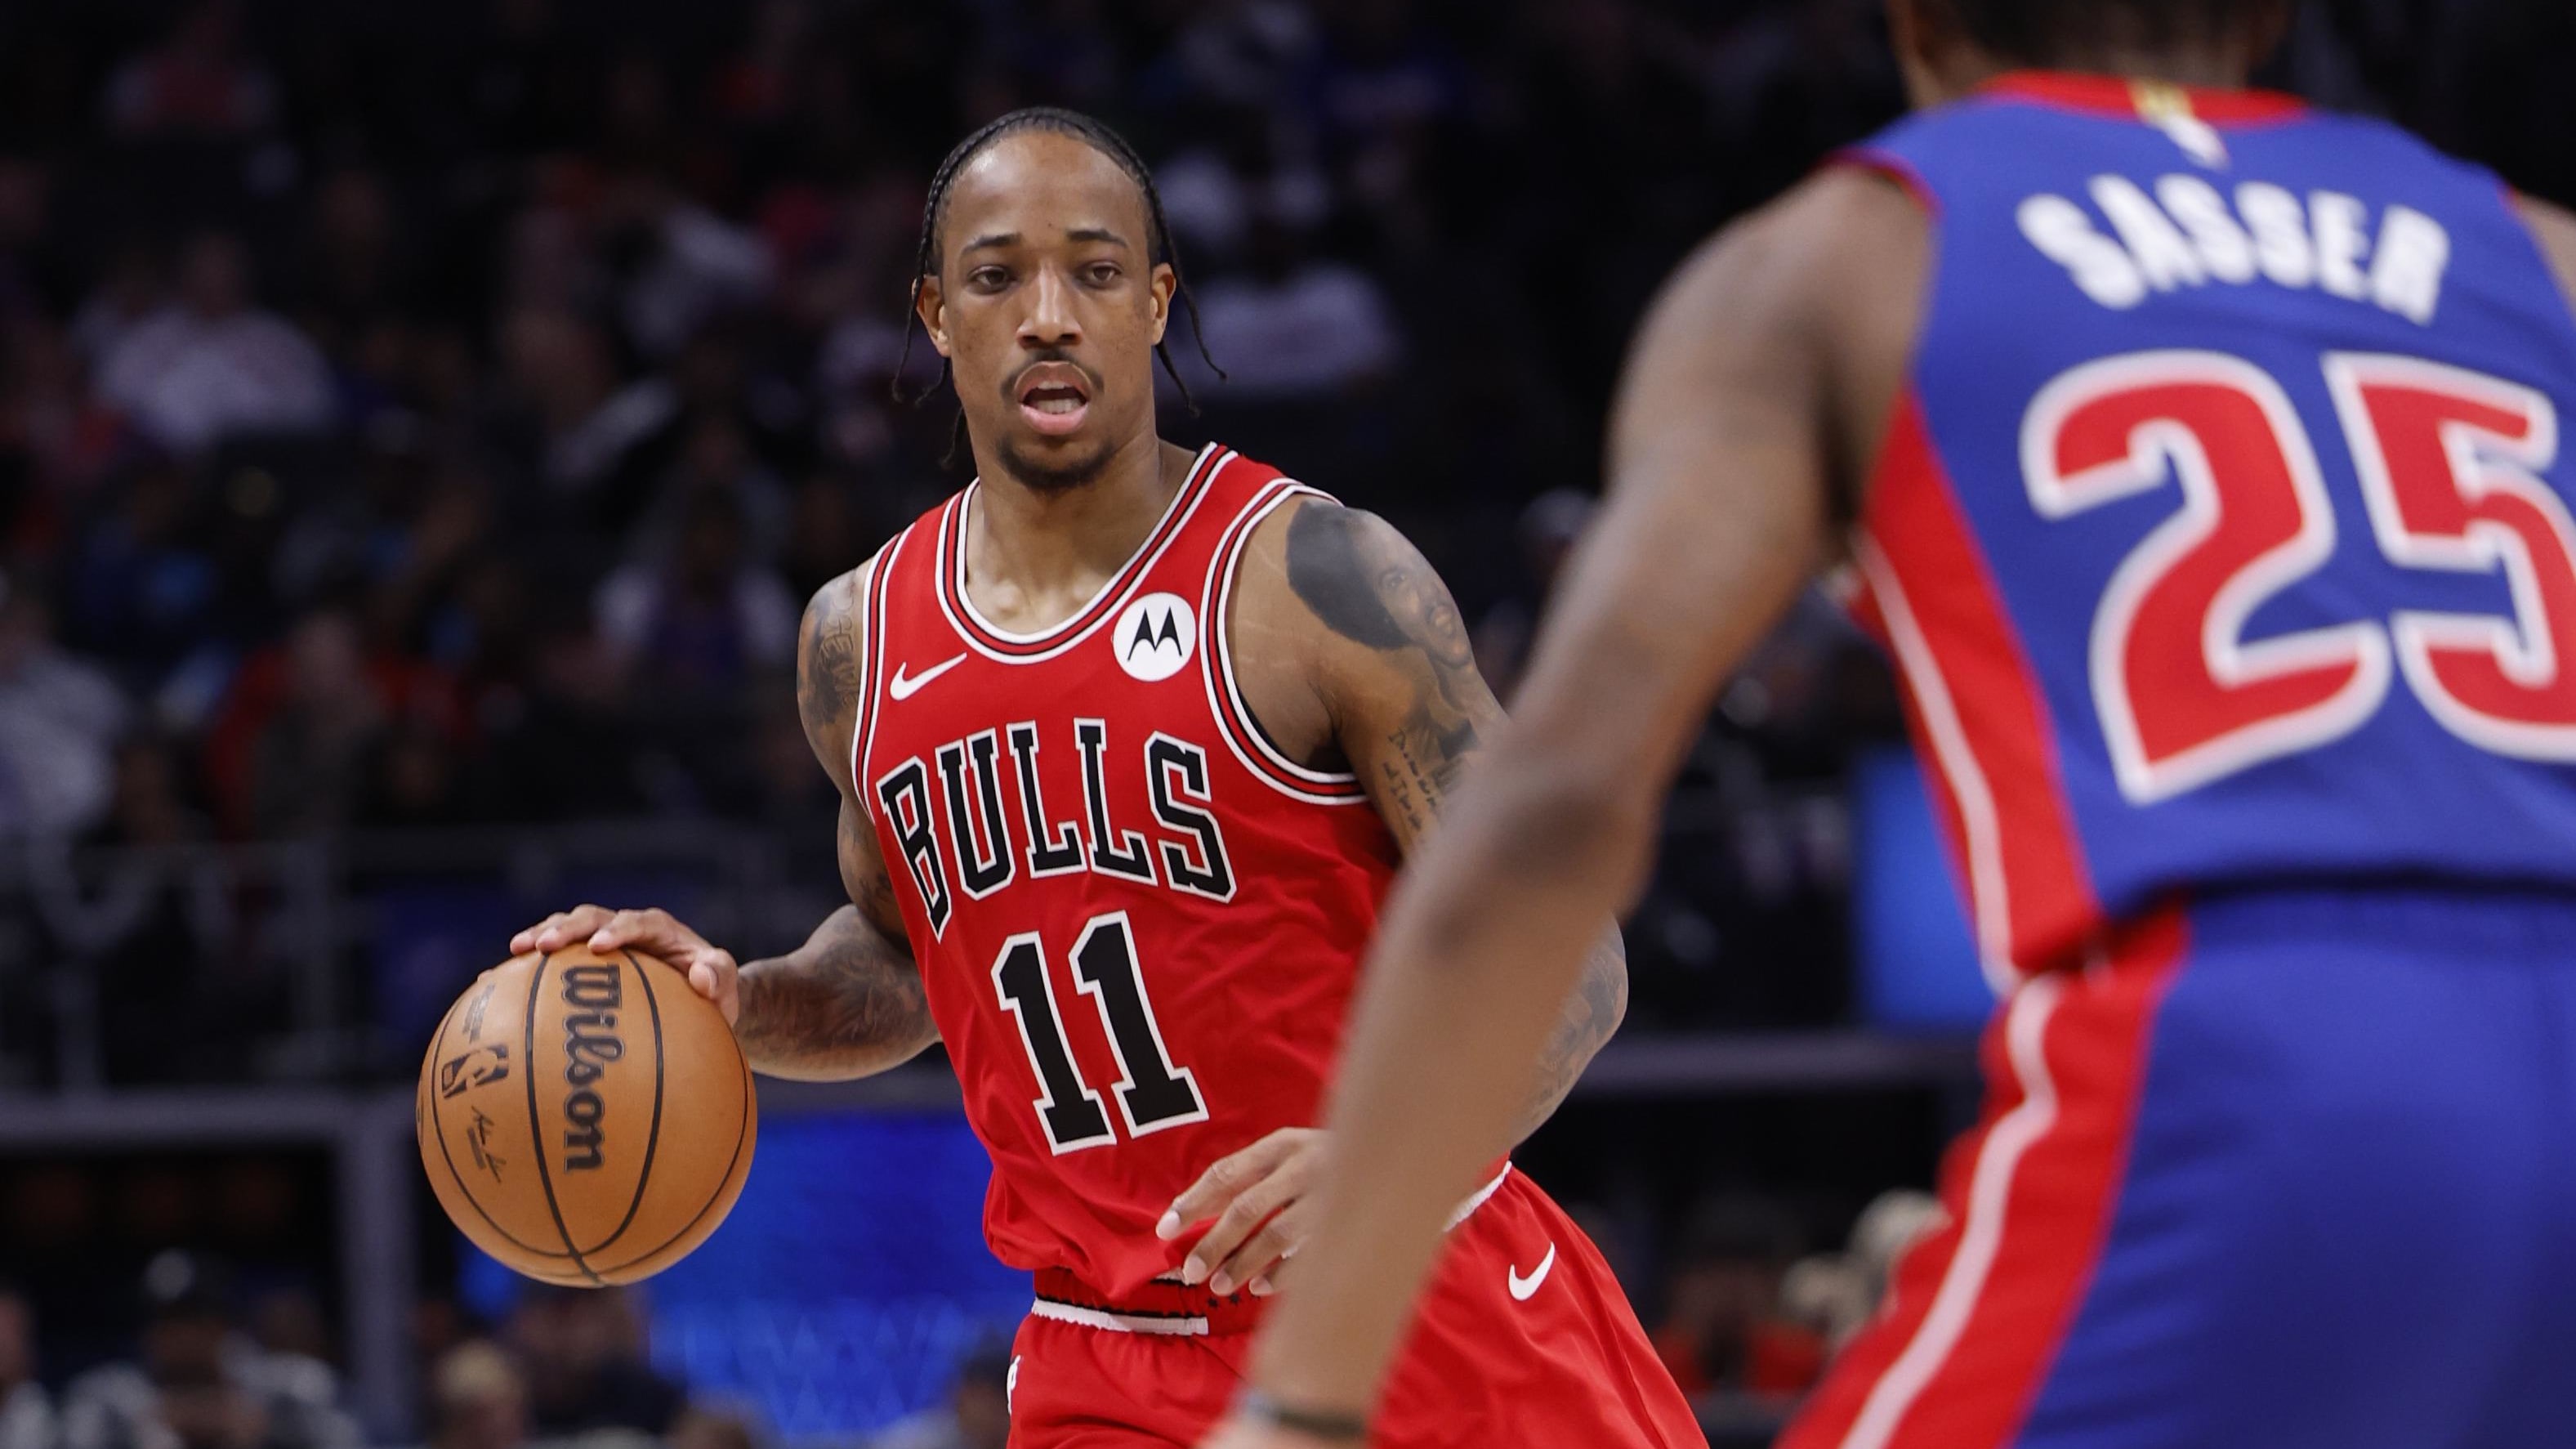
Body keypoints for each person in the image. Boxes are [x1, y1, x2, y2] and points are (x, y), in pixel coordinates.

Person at [1210, 0, 2576, 1445]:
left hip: (2244, 1058)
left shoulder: (1844, 262)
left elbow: (1549, 808)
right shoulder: (2539, 256)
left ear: (1912, 22)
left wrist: (1300, 1403)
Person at [509, 107, 1699, 1449]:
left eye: (1095, 270)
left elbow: (1568, 956)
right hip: (1108, 1362)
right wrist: (732, 1005)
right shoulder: (859, 639)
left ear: (1155, 302)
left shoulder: (1316, 578)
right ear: (935, 315)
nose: (1049, 314)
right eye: (997, 274)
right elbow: (907, 964)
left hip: (1415, 1298)